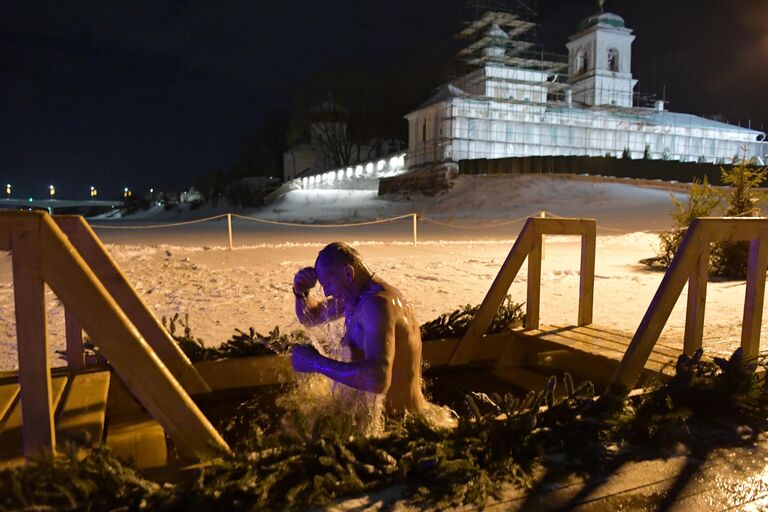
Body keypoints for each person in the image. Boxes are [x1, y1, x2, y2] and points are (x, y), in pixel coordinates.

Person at [290, 242, 428, 416]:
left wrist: (316, 363)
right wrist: (301, 292)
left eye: (328, 285)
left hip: (401, 423)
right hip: (387, 418)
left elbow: (378, 379)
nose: (326, 294)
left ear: (348, 273)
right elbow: (312, 317)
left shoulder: (377, 304)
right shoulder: (357, 297)